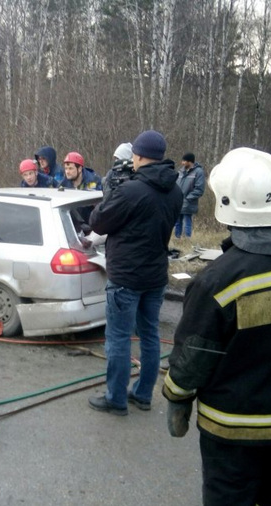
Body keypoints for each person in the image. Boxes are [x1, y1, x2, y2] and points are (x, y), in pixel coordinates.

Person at [162, 147, 271, 506]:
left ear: (229, 205)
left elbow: (192, 360)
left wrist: (176, 399)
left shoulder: (218, 281)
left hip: (232, 428)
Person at [87, 130, 183, 416]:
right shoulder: (176, 190)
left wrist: (110, 197)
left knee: (117, 337)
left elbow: (99, 222)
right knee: (150, 335)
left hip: (126, 277)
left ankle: (116, 399)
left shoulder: (131, 190)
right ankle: (142, 394)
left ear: (138, 156)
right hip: (155, 275)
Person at [174, 152, 206, 239]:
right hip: (178, 201)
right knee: (177, 222)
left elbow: (199, 189)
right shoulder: (180, 172)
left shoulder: (198, 172)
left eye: (184, 161)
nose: (182, 163)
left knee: (187, 222)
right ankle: (177, 239)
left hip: (189, 202)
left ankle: (187, 240)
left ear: (190, 162)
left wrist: (188, 198)